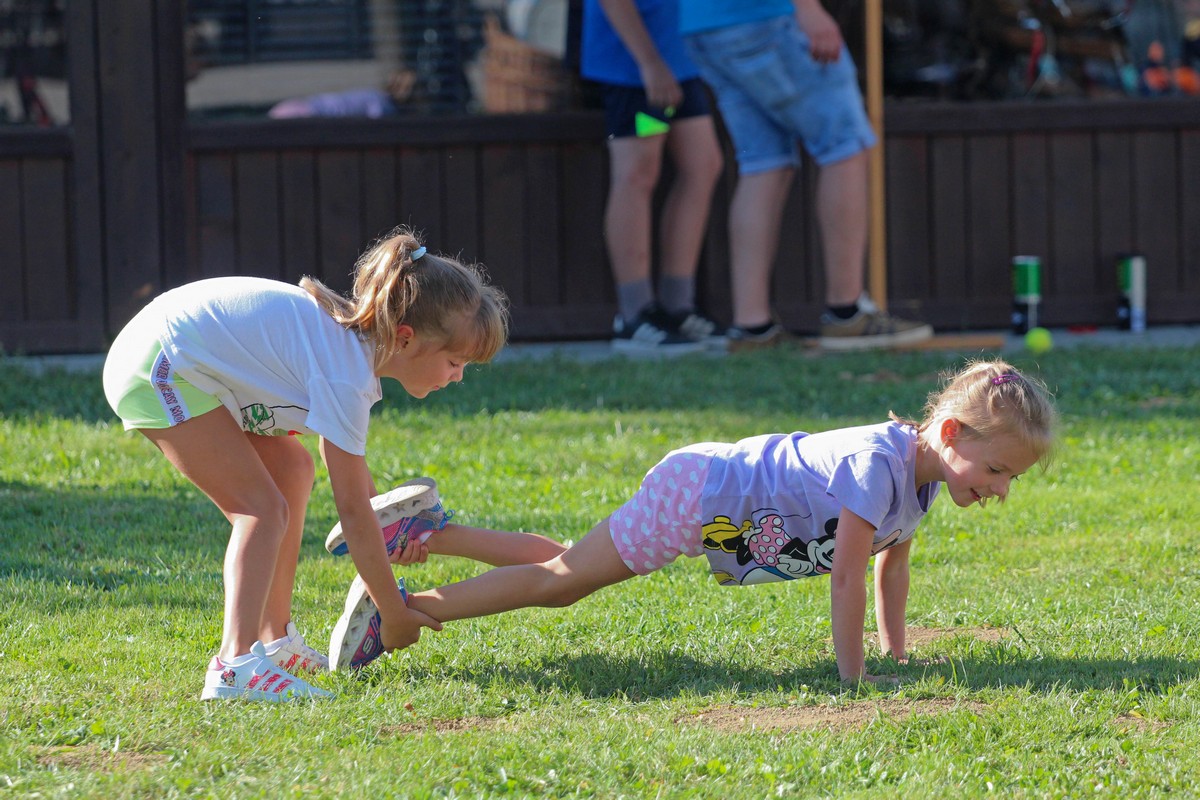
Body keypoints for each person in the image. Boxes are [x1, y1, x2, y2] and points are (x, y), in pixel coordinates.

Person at [339, 359, 1056, 683]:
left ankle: (426, 533)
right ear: (955, 435)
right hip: (705, 497)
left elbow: (888, 566)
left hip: (724, 513)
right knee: (563, 580)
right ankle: (401, 607)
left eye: (1012, 480)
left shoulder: (918, 483)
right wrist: (854, 678)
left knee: (568, 561)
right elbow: (846, 581)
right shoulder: (878, 467)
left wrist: (898, 657)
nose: (1000, 491)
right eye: (998, 472)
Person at [101, 227, 564, 701]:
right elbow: (354, 514)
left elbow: (365, 504)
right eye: (454, 361)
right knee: (260, 509)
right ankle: (234, 668)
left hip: (180, 355)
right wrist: (394, 611)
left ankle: (273, 640)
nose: (459, 376)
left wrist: (394, 534)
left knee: (292, 473)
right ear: (405, 339)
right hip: (160, 364)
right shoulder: (346, 376)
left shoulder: (350, 353)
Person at [679, 0, 934, 351]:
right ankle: (847, 314)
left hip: (703, 23)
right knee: (845, 146)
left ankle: (752, 328)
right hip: (768, 18)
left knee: (763, 161)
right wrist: (808, 9)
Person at [582, 0, 726, 355]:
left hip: (679, 63)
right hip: (634, 69)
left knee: (703, 164)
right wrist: (649, 62)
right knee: (637, 173)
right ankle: (634, 317)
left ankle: (677, 308)